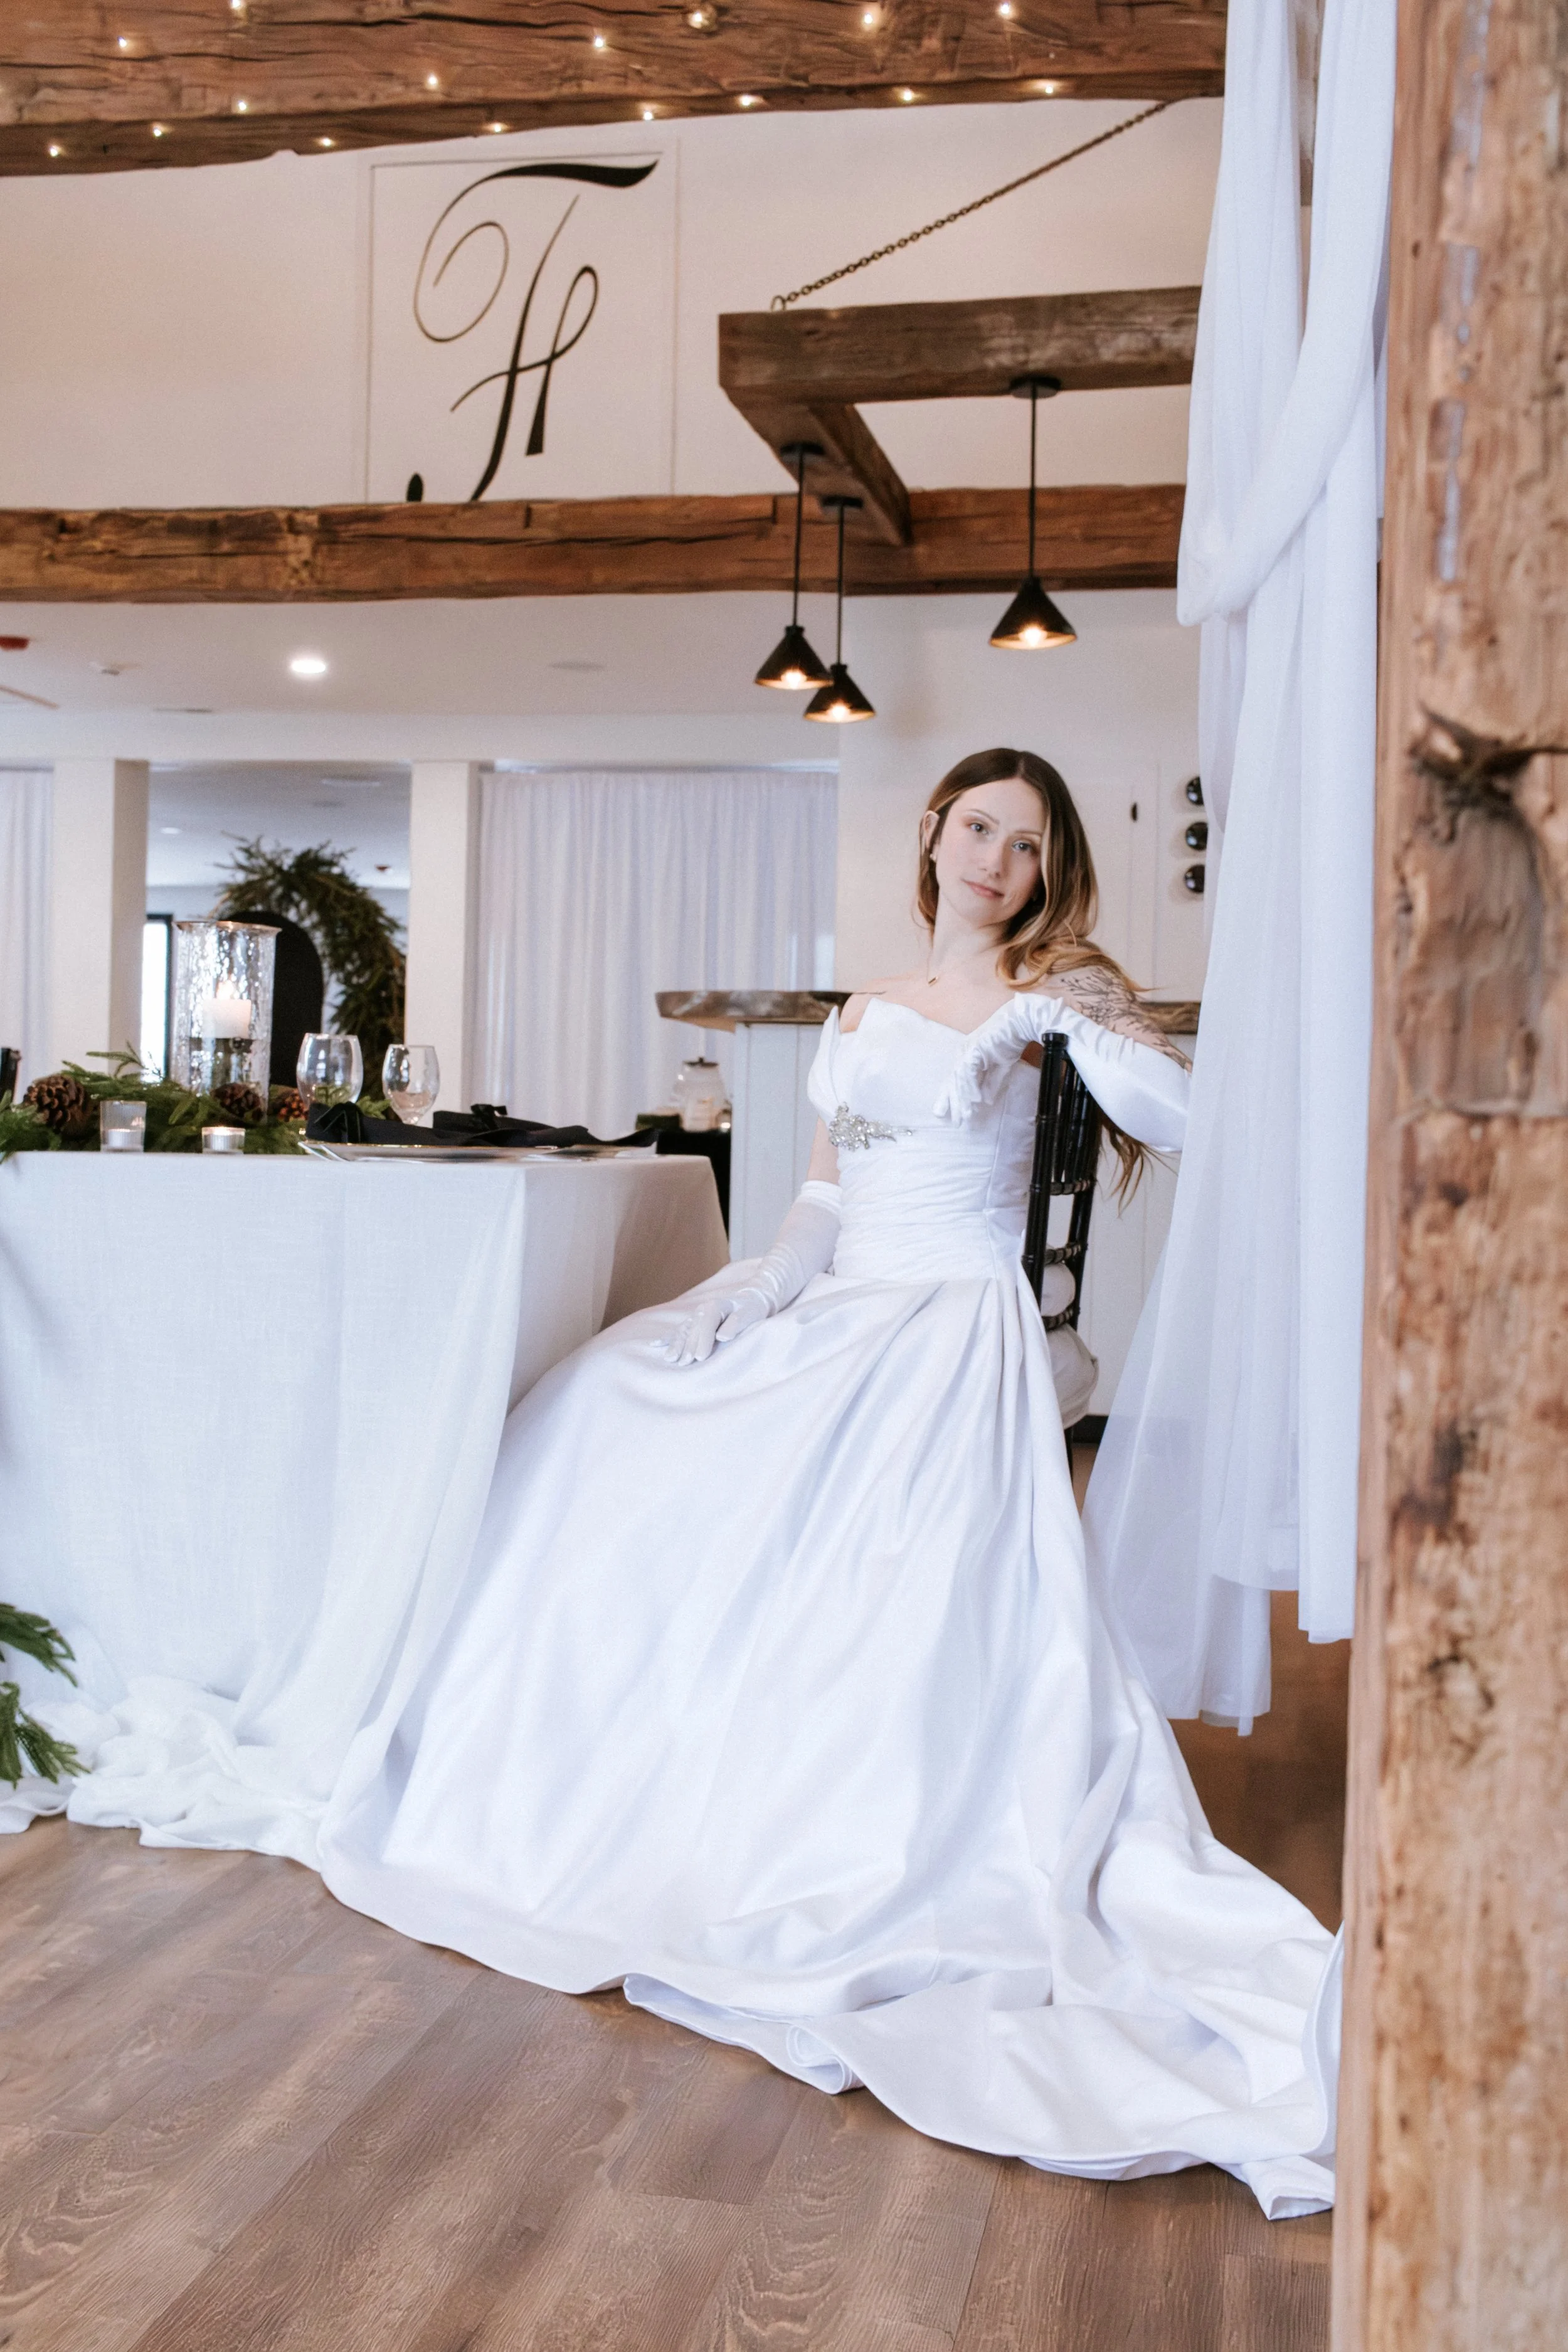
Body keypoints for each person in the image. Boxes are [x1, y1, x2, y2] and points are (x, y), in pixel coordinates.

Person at [320, 748, 1338, 2218]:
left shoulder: (1042, 997)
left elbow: (1187, 1120)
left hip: (944, 1327)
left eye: (1027, 846)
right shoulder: (859, 1008)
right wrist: (757, 1288)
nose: (995, 860)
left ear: (1047, 874)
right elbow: (821, 1191)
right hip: (844, 1297)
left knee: (877, 1581)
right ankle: (583, 1770)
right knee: (601, 1402)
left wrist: (1065, 1021)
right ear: (931, 834)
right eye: (977, 828)